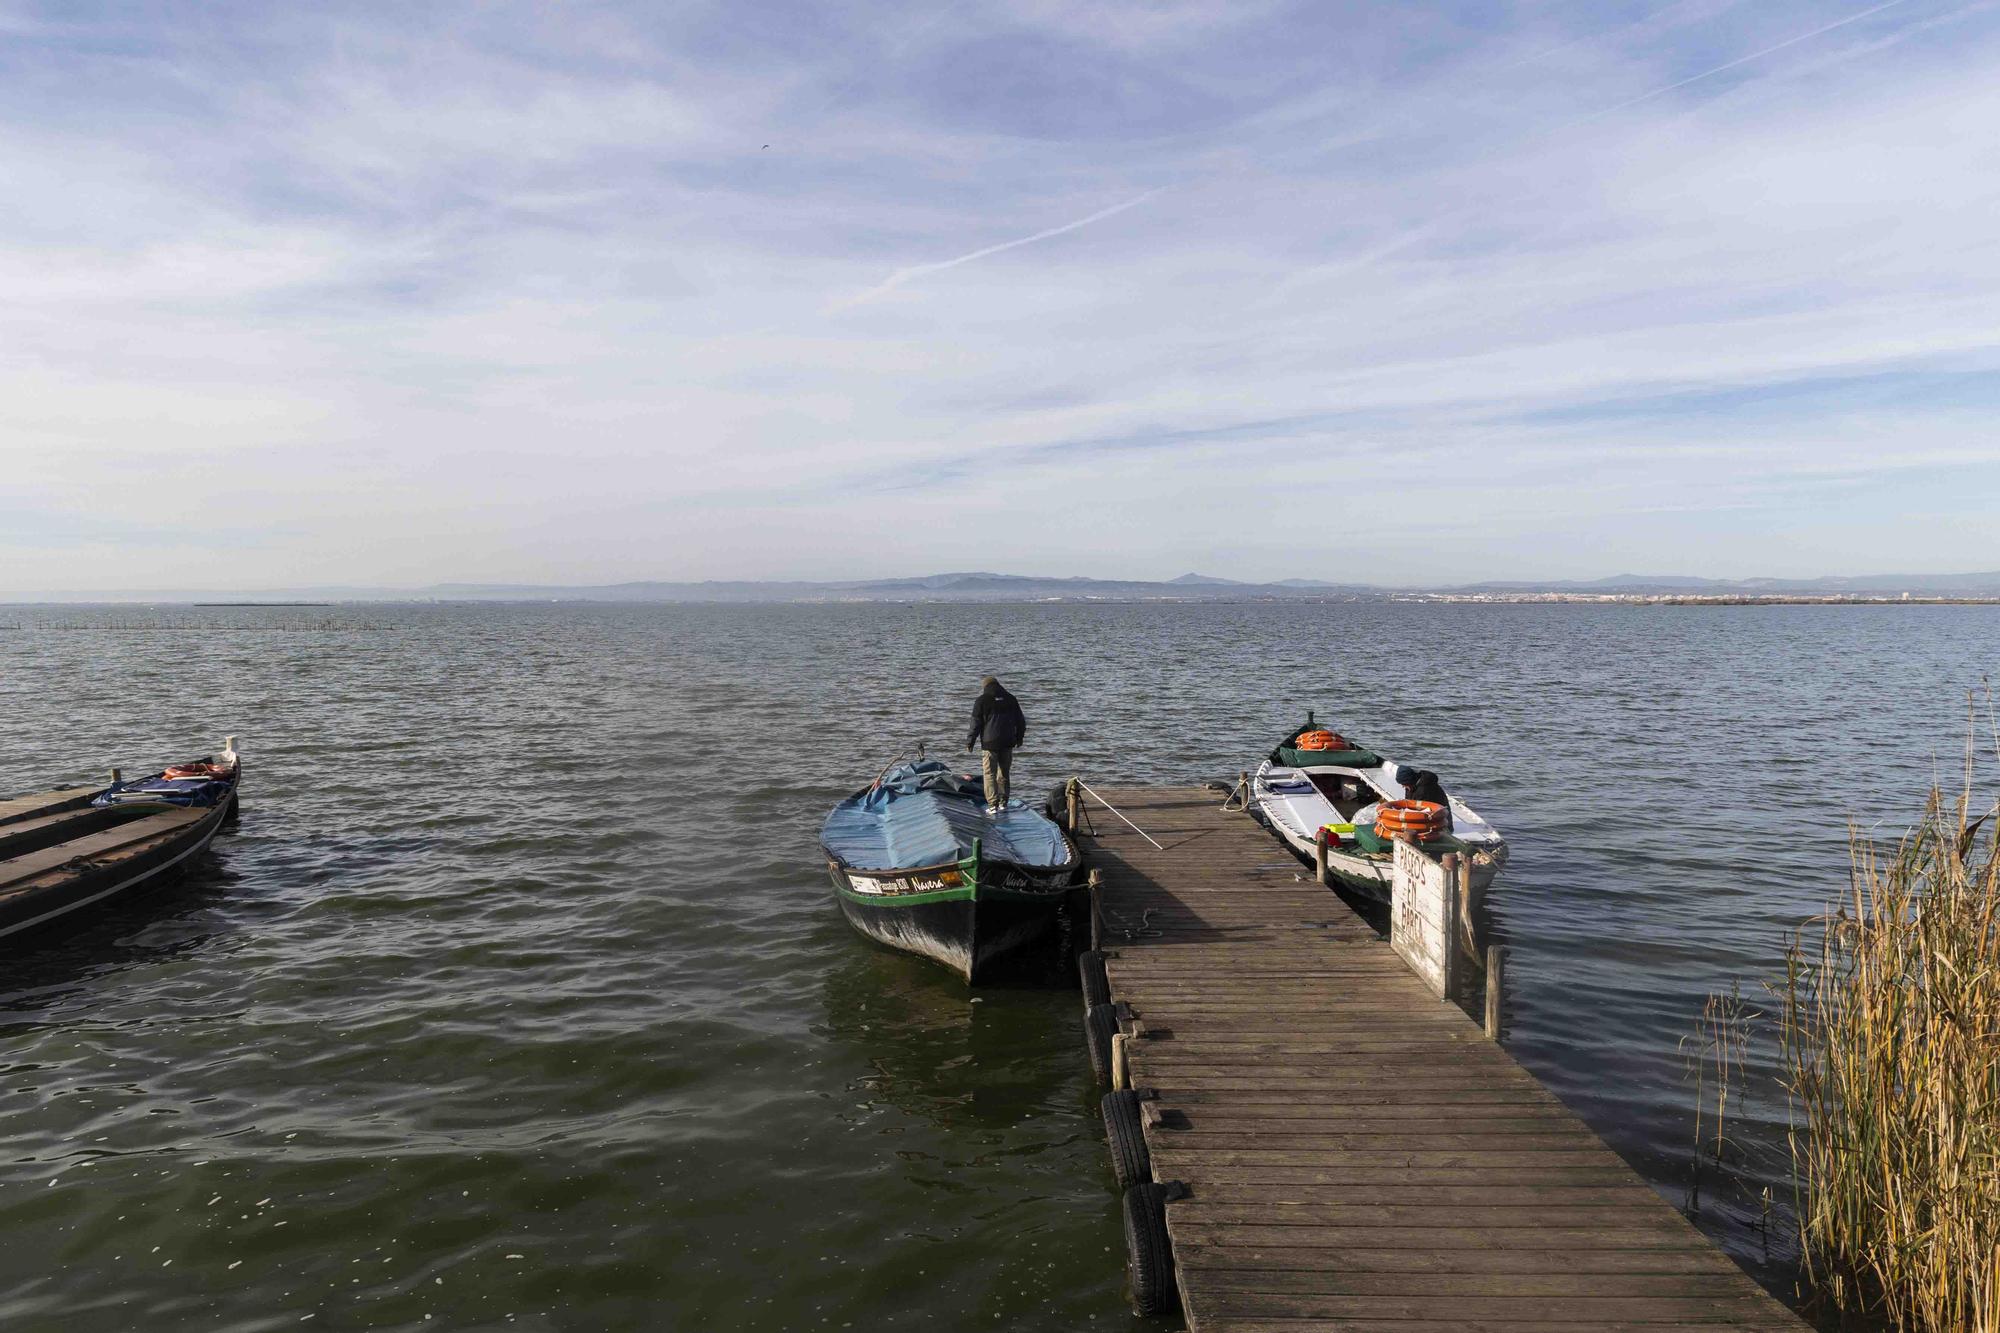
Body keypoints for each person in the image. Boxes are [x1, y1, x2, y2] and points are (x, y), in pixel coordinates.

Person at [965, 676, 1027, 814]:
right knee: (1004, 773)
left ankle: (993, 805)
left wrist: (970, 741)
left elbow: (975, 724)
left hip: (989, 744)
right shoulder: (1011, 699)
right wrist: (1019, 738)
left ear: (985, 687)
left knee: (989, 774)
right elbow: (1021, 721)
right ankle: (1004, 802)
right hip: (1007, 743)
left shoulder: (982, 701)